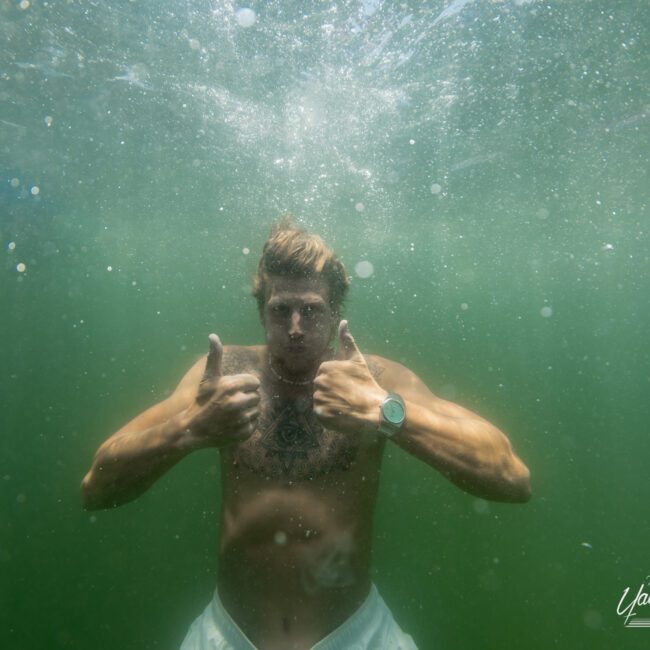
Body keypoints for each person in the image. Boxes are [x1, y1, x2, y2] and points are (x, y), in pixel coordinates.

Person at [81, 218, 531, 650]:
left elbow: (512, 478)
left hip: (358, 634)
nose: (296, 327)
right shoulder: (223, 376)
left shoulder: (374, 380)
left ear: (336, 312)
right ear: (262, 312)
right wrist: (190, 430)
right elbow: (96, 487)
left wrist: (387, 416)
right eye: (281, 310)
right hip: (227, 634)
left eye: (312, 310)